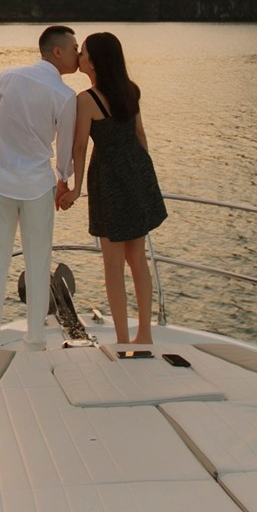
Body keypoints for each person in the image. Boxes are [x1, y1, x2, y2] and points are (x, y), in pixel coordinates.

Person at [0, 25, 79, 350]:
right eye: (75, 48)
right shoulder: (65, 96)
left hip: (0, 180)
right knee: (38, 262)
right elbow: (64, 151)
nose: (79, 54)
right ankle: (35, 338)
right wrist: (64, 180)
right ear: (57, 52)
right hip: (36, 186)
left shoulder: (8, 77)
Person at [62, 31, 167, 347]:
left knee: (112, 264)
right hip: (136, 172)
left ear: (95, 62)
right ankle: (144, 335)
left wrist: (76, 187)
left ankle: (122, 339)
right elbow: (140, 135)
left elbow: (80, 147)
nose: (79, 57)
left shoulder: (86, 100)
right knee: (138, 259)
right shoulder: (130, 91)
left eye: (84, 54)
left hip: (108, 178)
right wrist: (144, 180)